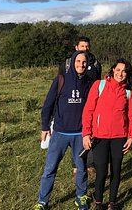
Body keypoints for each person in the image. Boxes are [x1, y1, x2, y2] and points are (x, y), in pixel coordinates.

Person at [34, 51, 94, 210]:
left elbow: (93, 107)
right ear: (72, 62)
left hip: (80, 134)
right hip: (59, 133)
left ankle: (81, 197)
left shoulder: (89, 82)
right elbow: (48, 104)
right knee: (50, 169)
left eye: (84, 62)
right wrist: (45, 126)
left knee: (81, 169)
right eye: (78, 61)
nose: (81, 65)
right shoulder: (61, 79)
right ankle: (42, 202)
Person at [81, 59, 132, 210]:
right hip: (100, 137)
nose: (120, 73)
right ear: (113, 70)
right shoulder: (99, 85)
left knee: (116, 171)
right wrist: (86, 133)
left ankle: (112, 202)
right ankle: (98, 202)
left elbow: (131, 116)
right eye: (118, 70)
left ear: (127, 74)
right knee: (102, 171)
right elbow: (88, 110)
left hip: (119, 137)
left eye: (124, 71)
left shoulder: (128, 92)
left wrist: (131, 136)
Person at [59, 36, 102, 174]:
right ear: (76, 48)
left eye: (87, 46)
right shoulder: (67, 63)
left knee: (90, 131)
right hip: (74, 102)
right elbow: (61, 82)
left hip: (91, 102)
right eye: (82, 46)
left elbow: (98, 82)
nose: (85, 49)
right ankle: (76, 164)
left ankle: (90, 162)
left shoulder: (95, 63)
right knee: (76, 132)